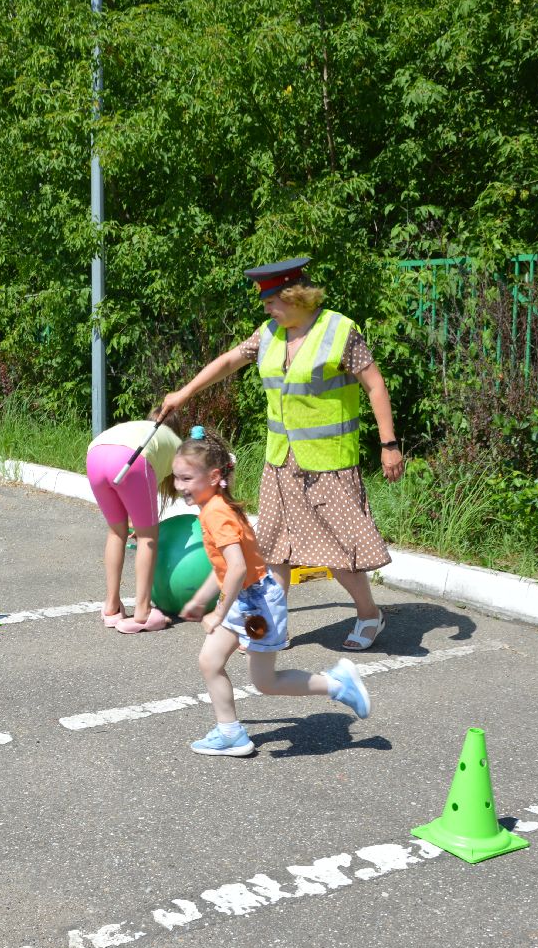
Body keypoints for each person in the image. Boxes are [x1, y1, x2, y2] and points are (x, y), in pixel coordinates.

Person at [157, 255, 405, 651]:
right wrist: (184, 393)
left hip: (329, 462)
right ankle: (274, 625)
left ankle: (369, 614)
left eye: (272, 301)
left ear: (296, 296)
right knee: (275, 549)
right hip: (281, 460)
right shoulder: (268, 333)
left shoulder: (339, 331)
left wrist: (388, 444)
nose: (267, 308)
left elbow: (375, 386)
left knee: (340, 554)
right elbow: (227, 362)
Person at [172, 428, 371, 757]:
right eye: (177, 478)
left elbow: (237, 569)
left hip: (256, 609)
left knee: (265, 682)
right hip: (243, 601)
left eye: (187, 478)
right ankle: (230, 733)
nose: (180, 486)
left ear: (214, 476)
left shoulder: (216, 514)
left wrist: (218, 612)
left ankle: (338, 684)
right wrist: (199, 599)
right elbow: (225, 568)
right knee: (210, 661)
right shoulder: (215, 505)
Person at [85, 417, 183, 631]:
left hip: (95, 455)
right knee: (149, 536)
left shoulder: (142, 428)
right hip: (131, 458)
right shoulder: (178, 445)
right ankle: (143, 611)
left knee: (116, 532)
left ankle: (111, 606)